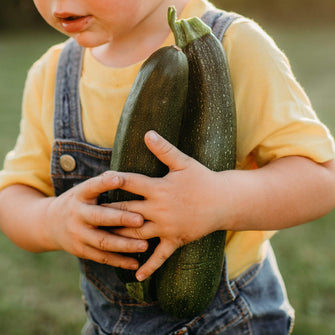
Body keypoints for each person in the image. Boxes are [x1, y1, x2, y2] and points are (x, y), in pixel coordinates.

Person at [1, 0, 335, 333]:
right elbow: (13, 196)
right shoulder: (53, 74)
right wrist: (50, 220)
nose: (59, 3)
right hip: (109, 323)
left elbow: (321, 178)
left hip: (229, 321)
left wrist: (222, 199)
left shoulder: (235, 45)